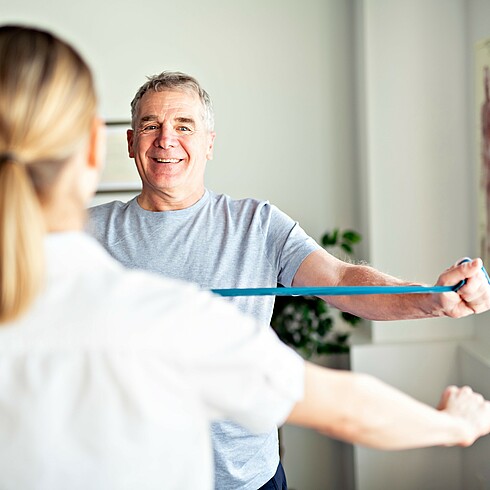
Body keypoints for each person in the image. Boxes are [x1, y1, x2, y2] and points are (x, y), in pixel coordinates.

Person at [87, 70, 490, 489]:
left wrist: (434, 298)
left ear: (209, 143)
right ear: (132, 142)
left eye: (183, 126)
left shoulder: (257, 224)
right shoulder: (83, 233)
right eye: (151, 125)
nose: (166, 139)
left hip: (250, 480)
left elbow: (340, 280)